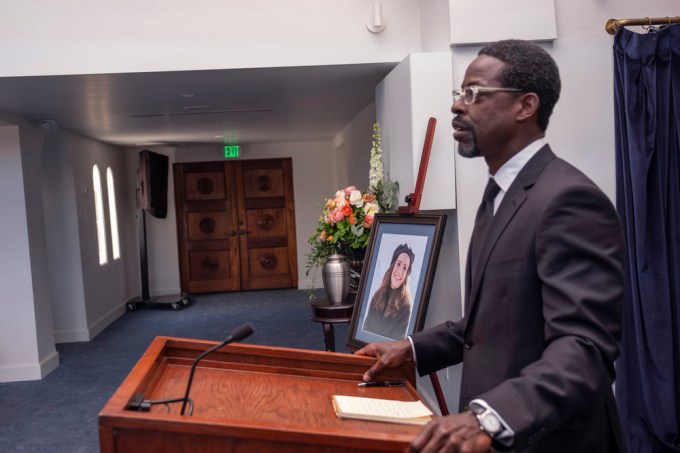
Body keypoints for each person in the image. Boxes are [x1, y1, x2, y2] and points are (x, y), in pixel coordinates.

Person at [356, 39, 626, 453]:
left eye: (474, 93)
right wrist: (410, 348)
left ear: (525, 106)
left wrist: (490, 417)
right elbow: (489, 323)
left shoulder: (568, 199)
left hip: (552, 439)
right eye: (459, 94)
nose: (457, 106)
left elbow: (584, 348)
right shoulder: (498, 195)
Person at [362, 243, 415, 340]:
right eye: (398, 264)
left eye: (405, 268)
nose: (400, 271)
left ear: (407, 274)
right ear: (392, 265)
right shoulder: (378, 295)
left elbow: (397, 341)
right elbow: (366, 328)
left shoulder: (405, 305)